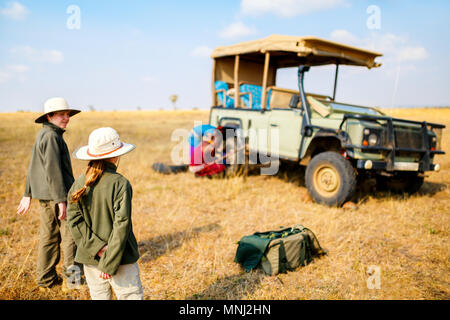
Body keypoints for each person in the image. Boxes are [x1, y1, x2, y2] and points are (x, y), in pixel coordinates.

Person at [67, 127, 143, 300]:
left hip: (90, 259)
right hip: (120, 259)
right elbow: (121, 225)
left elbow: (73, 221)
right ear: (116, 155)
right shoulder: (121, 183)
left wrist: (97, 248)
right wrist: (109, 262)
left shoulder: (78, 183)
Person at [16, 97, 81, 290]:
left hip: (46, 196)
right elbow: (53, 170)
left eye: (67, 114)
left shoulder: (44, 133)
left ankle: (45, 280)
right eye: (61, 114)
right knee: (70, 237)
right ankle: (73, 281)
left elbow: (35, 166)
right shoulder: (52, 136)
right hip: (57, 196)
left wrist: (27, 193)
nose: (66, 118)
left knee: (49, 237)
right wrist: (62, 201)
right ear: (50, 116)